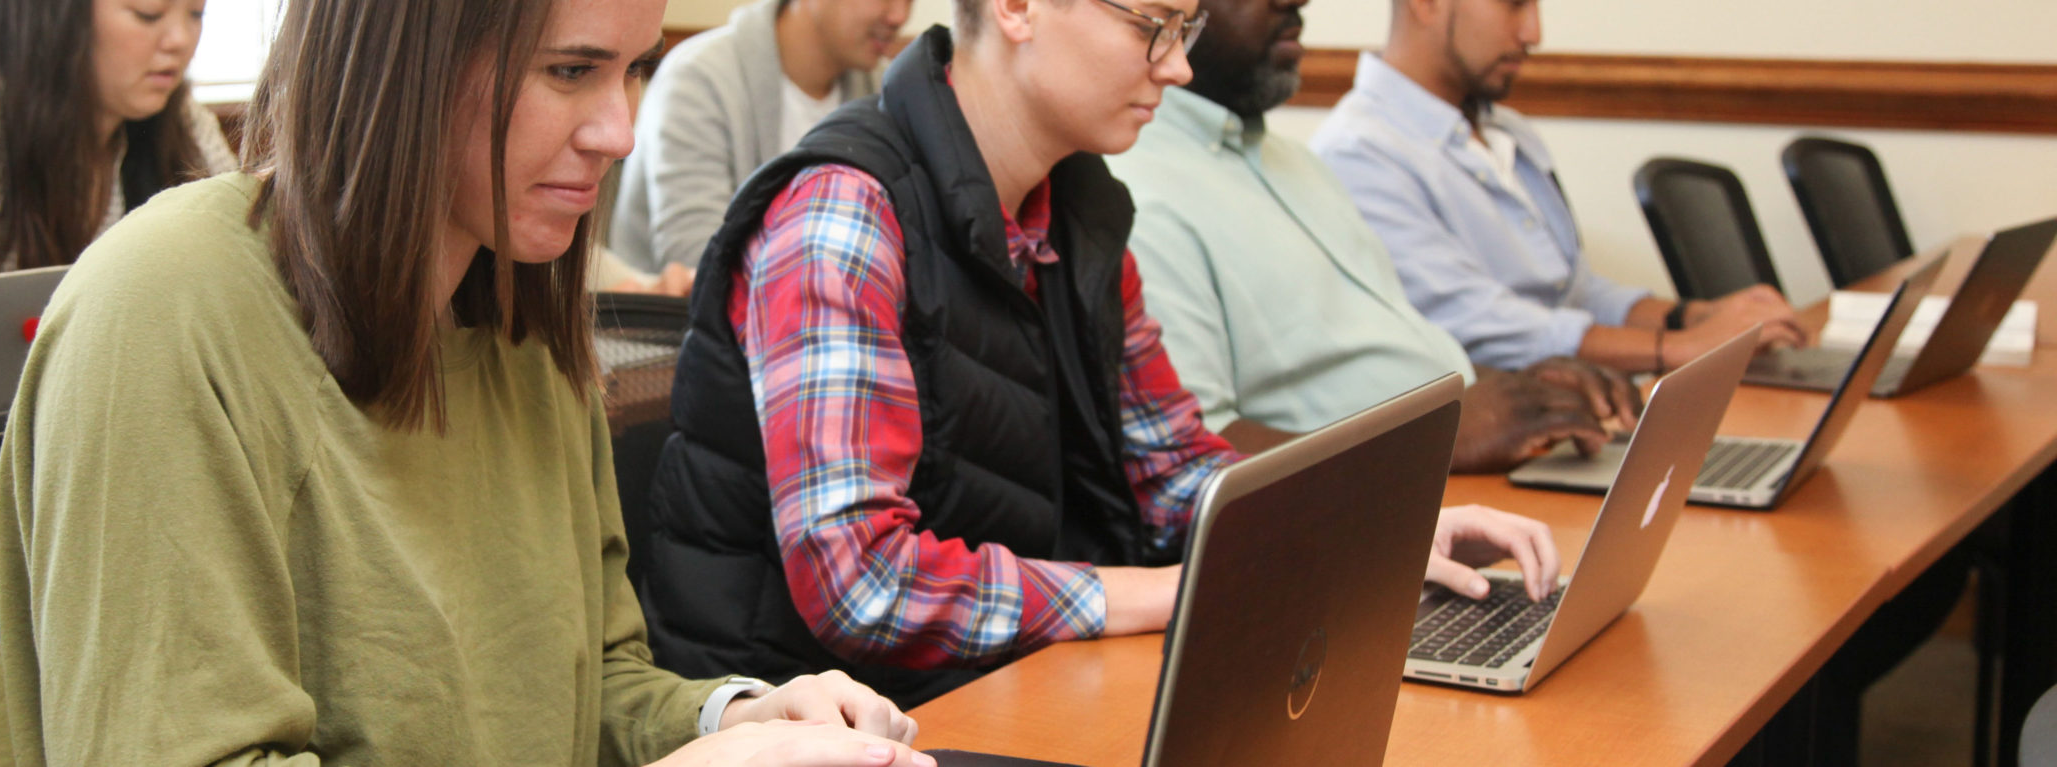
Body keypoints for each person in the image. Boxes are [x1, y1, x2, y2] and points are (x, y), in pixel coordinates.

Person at [0, 0, 930, 763]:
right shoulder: (167, 303)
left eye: (636, 69)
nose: (620, 132)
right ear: (410, 59)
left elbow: (592, 689)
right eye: (571, 71)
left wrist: (743, 721)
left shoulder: (520, 320)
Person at [642, 0, 1559, 708]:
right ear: (1018, 9)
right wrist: (1163, 594)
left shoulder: (1076, 210)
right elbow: (862, 584)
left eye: (1187, 25)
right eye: (1153, 25)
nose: (1182, 63)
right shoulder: (845, 210)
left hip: (988, 690)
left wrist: (1369, 531)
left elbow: (1174, 469)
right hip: (813, 722)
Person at [1109, 0, 1641, 472]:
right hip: (1359, 506)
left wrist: (1520, 394)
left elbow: (1393, 351)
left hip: (1445, 472)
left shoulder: (1296, 163)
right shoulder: (1136, 193)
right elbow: (1197, 456)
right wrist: (1435, 438)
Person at [1306, 0, 1803, 373]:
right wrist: (1676, 350)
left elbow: (1574, 292)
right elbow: (1478, 327)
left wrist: (1692, 317)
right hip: (1486, 451)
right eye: (1514, 3)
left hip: (1582, 408)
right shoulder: (1358, 153)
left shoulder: (1510, 134)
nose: (1534, 32)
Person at [0, 0, 238, 289]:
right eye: (148, 13)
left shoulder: (182, 118)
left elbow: (242, 269)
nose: (181, 40)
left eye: (196, 13)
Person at [609, 0, 910, 273]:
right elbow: (697, 257)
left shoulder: (887, 92)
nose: (899, 16)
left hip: (836, 321)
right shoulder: (698, 77)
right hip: (669, 327)